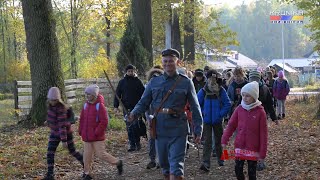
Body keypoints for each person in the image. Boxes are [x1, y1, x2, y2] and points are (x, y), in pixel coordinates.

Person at [127, 48, 203, 180]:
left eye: (171, 61)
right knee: (165, 167)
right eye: (165, 61)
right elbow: (143, 102)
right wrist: (133, 114)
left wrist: (198, 129)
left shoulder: (186, 82)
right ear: (162, 62)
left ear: (177, 62)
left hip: (178, 129)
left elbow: (195, 108)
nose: (168, 64)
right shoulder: (154, 82)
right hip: (159, 129)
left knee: (177, 167)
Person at [222, 81, 268, 180]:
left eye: (248, 96)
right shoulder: (239, 109)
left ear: (254, 97)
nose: (244, 98)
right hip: (240, 146)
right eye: (243, 95)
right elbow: (231, 125)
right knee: (238, 170)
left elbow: (263, 134)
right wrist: (224, 140)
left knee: (252, 173)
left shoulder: (260, 112)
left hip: (253, 148)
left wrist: (262, 153)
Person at [79, 85, 123, 180]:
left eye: (89, 94)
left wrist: (96, 132)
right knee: (87, 155)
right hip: (86, 136)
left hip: (97, 137)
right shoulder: (85, 105)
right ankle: (87, 173)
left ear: (94, 95)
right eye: (86, 94)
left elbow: (104, 121)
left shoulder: (100, 106)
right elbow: (82, 119)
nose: (86, 96)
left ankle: (118, 162)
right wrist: (80, 130)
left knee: (101, 154)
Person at [43, 87, 83, 180]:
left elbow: (62, 125)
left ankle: (85, 164)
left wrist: (64, 140)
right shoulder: (50, 106)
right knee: (50, 152)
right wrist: (48, 122)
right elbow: (52, 118)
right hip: (54, 133)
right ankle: (50, 174)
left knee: (72, 151)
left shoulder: (61, 109)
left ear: (58, 99)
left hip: (65, 133)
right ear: (49, 99)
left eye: (55, 100)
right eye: (52, 100)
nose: (53, 101)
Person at [197, 69, 231, 171]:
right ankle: (206, 163)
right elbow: (197, 104)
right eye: (210, 78)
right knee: (207, 141)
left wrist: (220, 115)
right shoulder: (203, 91)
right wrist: (203, 113)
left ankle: (221, 159)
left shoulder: (221, 90)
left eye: (214, 78)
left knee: (219, 140)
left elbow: (227, 104)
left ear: (217, 79)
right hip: (206, 121)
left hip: (217, 120)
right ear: (207, 79)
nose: (212, 80)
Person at [114, 64, 145, 152]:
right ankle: (132, 144)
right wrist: (116, 106)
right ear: (126, 72)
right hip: (126, 107)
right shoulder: (122, 82)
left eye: (132, 71)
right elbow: (117, 95)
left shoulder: (138, 82)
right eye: (129, 71)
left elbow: (144, 94)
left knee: (136, 126)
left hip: (137, 107)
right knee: (129, 126)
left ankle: (137, 143)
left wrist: (143, 106)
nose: (131, 72)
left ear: (134, 71)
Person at [145, 66, 164, 169]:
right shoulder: (148, 88)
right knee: (152, 139)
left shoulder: (164, 88)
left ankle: (161, 160)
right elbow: (145, 105)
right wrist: (148, 119)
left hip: (162, 117)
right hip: (152, 117)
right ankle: (152, 160)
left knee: (162, 140)